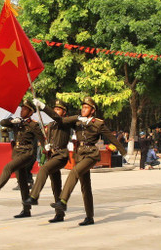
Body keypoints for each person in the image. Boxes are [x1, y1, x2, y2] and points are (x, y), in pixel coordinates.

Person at [51, 96, 126, 226]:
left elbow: (112, 138)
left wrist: (124, 153)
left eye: (86, 107)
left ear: (92, 110)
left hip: (91, 154)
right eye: (82, 107)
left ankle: (63, 201)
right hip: (79, 155)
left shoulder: (98, 123)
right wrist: (44, 108)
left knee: (74, 172)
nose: (83, 109)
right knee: (85, 187)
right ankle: (89, 217)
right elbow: (61, 120)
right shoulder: (78, 121)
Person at [0, 100, 43, 219]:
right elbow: (3, 122)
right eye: (22, 108)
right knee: (22, 182)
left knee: (8, 167)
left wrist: (46, 149)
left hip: (27, 153)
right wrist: (11, 121)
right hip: (17, 152)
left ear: (30, 112)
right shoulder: (17, 122)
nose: (22, 111)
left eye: (25, 109)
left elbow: (42, 139)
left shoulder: (33, 125)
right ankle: (26, 210)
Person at [23, 99, 72, 223]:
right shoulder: (50, 125)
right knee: (56, 185)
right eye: (55, 109)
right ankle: (59, 213)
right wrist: (46, 146)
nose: (56, 111)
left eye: (58, 109)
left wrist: (43, 106)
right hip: (52, 155)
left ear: (64, 112)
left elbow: (56, 117)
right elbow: (46, 140)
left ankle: (34, 196)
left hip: (61, 155)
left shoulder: (65, 122)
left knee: (44, 169)